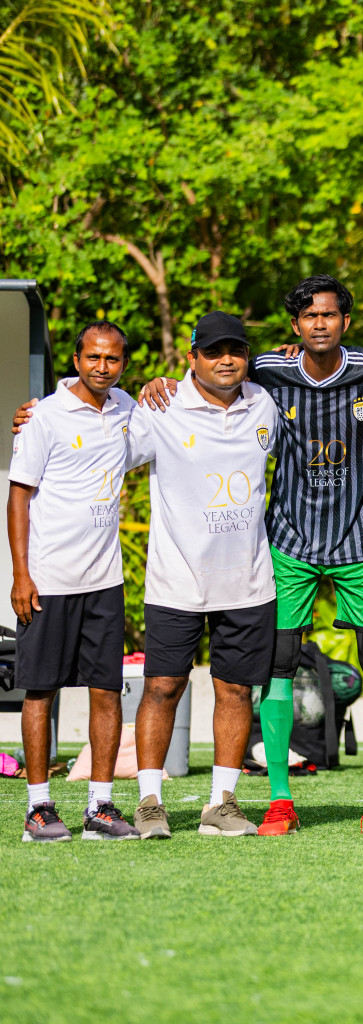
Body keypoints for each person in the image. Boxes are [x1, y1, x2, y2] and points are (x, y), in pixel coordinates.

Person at [137, 275, 363, 835]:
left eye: (330, 315)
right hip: (287, 543)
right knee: (278, 666)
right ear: (295, 326)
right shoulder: (266, 372)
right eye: (309, 317)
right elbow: (207, 377)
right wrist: (155, 381)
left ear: (345, 322)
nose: (320, 324)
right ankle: (279, 800)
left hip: (359, 540)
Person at [126, 311, 280, 839]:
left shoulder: (264, 402)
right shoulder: (161, 406)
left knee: (236, 691)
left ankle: (222, 802)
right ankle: (149, 801)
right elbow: (104, 445)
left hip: (248, 579)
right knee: (163, 687)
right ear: (192, 357)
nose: (226, 360)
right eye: (213, 352)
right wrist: (40, 415)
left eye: (235, 350)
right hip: (177, 578)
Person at [9, 321, 139, 841]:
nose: (102, 367)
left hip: (105, 580)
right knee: (41, 693)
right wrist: (21, 574)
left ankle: (99, 808)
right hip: (48, 579)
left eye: (112, 360)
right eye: (93, 358)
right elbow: (19, 496)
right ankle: (39, 808)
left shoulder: (129, 408)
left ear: (123, 364)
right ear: (77, 358)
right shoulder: (45, 416)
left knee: (106, 692)